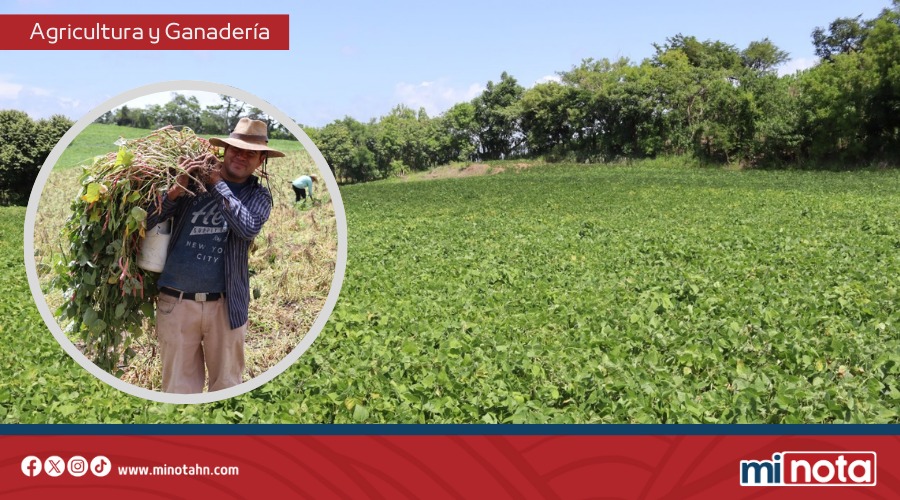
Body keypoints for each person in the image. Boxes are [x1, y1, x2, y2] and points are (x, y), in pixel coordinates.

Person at [145, 117, 284, 393]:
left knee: (228, 388)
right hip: (176, 303)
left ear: (261, 161)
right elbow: (146, 222)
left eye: (251, 153)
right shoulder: (191, 182)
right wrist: (175, 190)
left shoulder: (259, 196)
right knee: (178, 390)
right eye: (236, 149)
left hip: (225, 306)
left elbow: (246, 227)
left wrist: (218, 183)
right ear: (225, 149)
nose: (241, 156)